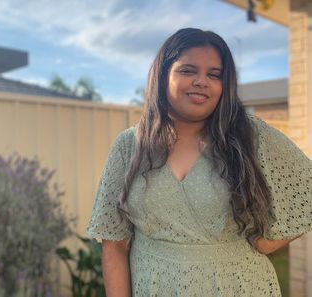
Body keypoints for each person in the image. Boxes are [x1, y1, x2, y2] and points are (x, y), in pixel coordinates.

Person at [87, 28, 312, 296]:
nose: (201, 81)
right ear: (163, 75)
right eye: (188, 70)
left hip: (240, 286)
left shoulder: (251, 136)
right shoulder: (129, 146)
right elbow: (114, 243)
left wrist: (267, 243)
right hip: (154, 286)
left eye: (214, 75)